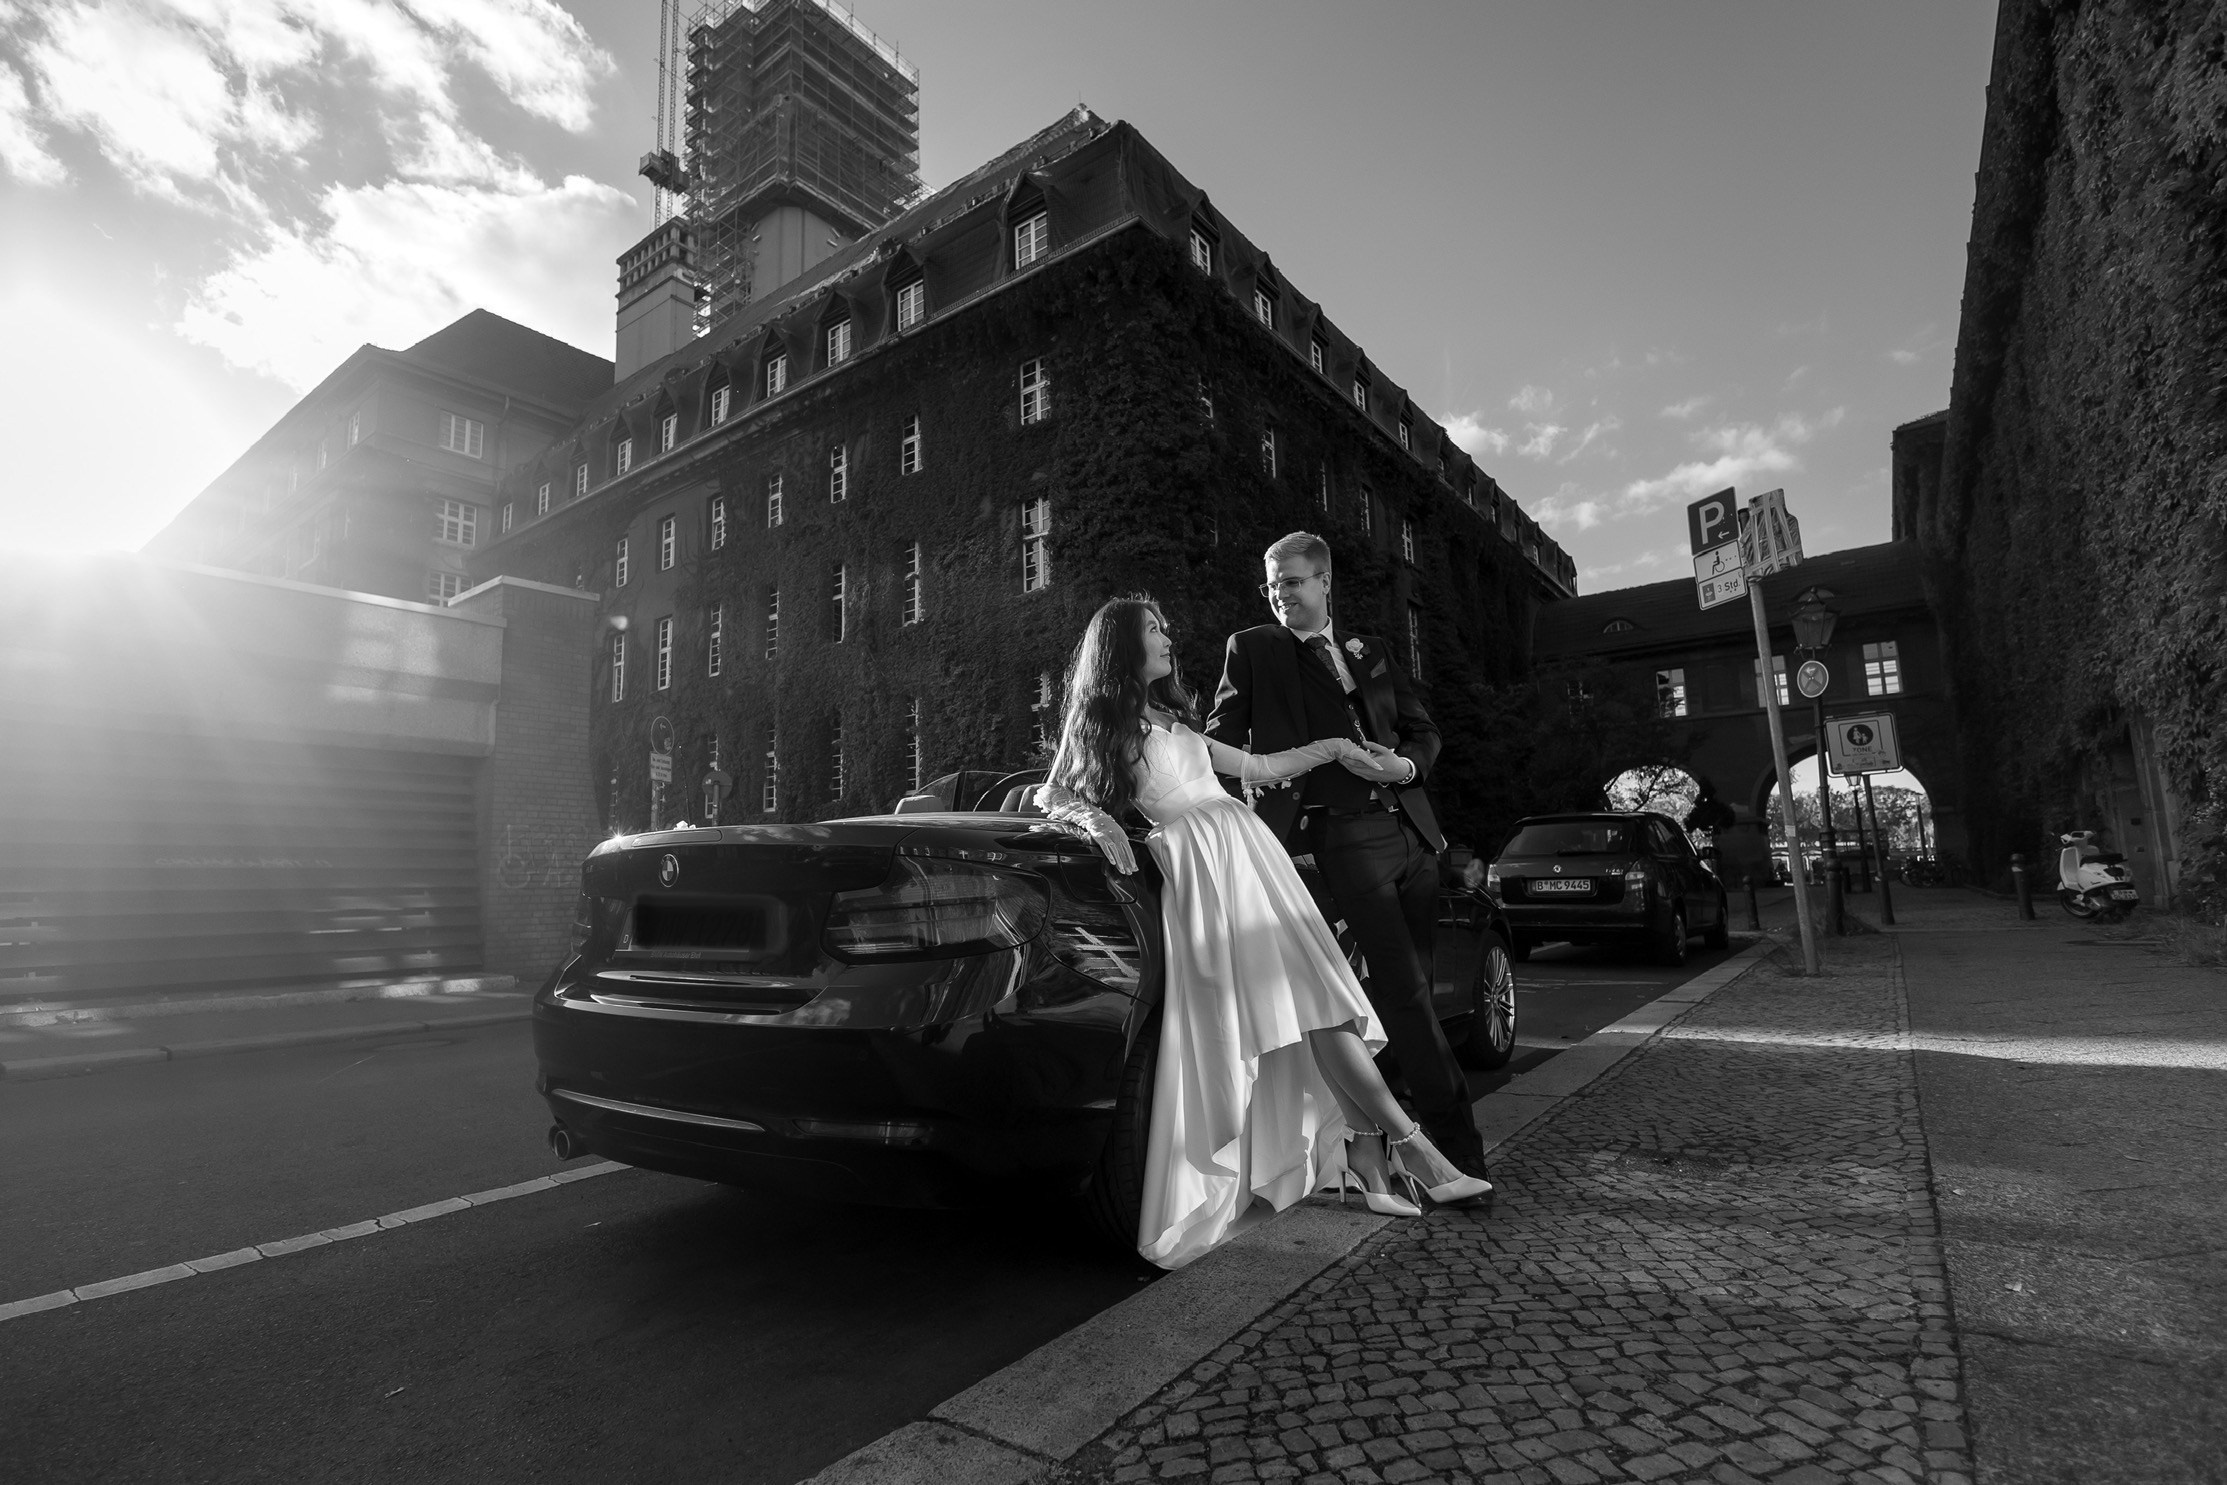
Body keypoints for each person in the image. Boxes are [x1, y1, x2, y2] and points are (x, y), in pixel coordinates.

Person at [1037, 595, 1491, 1270]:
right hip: (1207, 873)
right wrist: (1095, 820)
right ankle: (1408, 1149)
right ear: (1120, 645)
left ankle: (1377, 1151)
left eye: (1165, 625)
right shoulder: (1102, 719)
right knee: (1314, 1007)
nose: (1168, 636)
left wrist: (1336, 746)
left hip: (1250, 857)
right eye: (1154, 629)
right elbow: (1052, 794)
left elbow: (1257, 769)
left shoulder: (1174, 716)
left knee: (1320, 1005)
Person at [1204, 531, 1492, 1183]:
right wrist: (1238, 800)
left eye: (1293, 580)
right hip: (1339, 838)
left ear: (1324, 581)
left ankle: (1385, 1143)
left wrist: (1405, 764)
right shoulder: (1253, 649)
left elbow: (1422, 729)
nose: (1280, 593)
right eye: (1272, 583)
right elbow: (1219, 741)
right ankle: (1453, 1156)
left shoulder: (1370, 651)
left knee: (1403, 998)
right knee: (1408, 998)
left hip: (1411, 838)